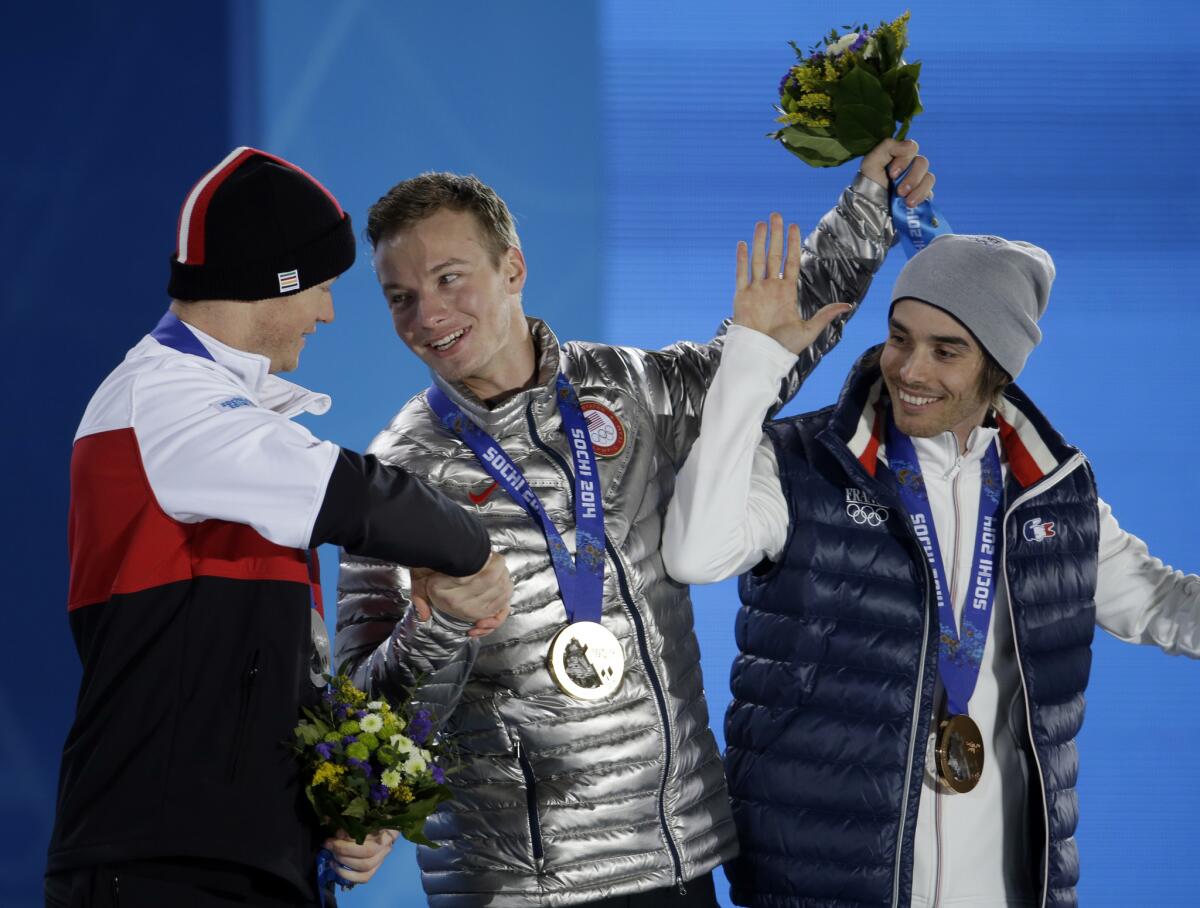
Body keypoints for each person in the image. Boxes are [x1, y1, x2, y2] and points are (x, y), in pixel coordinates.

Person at [334, 139, 936, 906]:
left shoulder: (625, 390)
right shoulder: (394, 479)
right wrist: (445, 626)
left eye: (449, 278)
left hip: (679, 860)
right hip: (525, 888)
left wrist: (870, 207)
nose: (429, 314)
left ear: (512, 269)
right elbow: (367, 720)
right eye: (400, 297)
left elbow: (760, 354)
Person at [662, 232, 1200, 907]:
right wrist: (751, 362)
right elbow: (694, 552)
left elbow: (1163, 607)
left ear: (999, 366)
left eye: (947, 351)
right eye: (899, 338)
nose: (910, 370)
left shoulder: (1054, 492)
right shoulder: (804, 464)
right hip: (827, 886)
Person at [44, 147, 511, 908]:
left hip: (232, 859)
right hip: (165, 864)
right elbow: (360, 497)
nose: (329, 313)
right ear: (273, 283)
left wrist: (342, 806)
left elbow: (263, 669)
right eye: (323, 286)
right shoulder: (163, 400)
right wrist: (471, 550)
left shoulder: (212, 422)